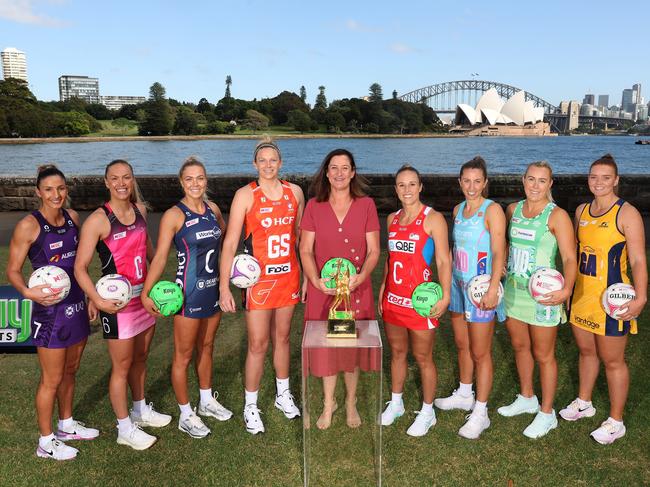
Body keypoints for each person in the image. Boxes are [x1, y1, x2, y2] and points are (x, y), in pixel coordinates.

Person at [74, 159, 171, 450]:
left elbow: (149, 252)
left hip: (144, 299)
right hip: (117, 306)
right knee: (121, 366)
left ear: (132, 180)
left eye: (126, 177)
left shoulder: (140, 211)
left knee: (141, 358)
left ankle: (140, 409)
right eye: (114, 178)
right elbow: (80, 267)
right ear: (106, 182)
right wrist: (97, 299)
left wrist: (159, 287)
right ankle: (124, 428)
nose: (120, 183)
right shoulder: (97, 220)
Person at [7, 165, 97, 461]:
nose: (56, 194)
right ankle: (45, 442)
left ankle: (66, 425)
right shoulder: (29, 226)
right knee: (51, 379)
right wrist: (28, 292)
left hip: (77, 307)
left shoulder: (73, 219)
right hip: (50, 315)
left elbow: (78, 266)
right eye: (49, 189)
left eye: (60, 188)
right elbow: (12, 270)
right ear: (38, 192)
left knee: (71, 371)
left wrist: (90, 297)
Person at [141, 157, 232, 439]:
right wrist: (147, 290)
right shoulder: (174, 215)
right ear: (182, 182)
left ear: (206, 180)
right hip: (188, 294)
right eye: (190, 179)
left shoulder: (213, 209)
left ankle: (206, 401)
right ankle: (186, 414)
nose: (196, 183)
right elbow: (159, 259)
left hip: (213, 290)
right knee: (183, 355)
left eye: (200, 178)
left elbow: (224, 241)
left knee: (207, 346)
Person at [219, 138, 305, 435]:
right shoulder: (245, 194)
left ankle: (283, 395)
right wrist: (223, 286)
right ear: (255, 164)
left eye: (273, 160)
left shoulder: (295, 192)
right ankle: (251, 405)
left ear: (281, 163)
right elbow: (230, 242)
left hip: (289, 277)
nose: (268, 165)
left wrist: (306, 276)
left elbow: (300, 239)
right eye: (263, 161)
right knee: (258, 344)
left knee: (282, 339)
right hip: (258, 282)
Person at [560, 154, 646, 444]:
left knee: (613, 360)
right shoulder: (582, 211)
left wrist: (641, 297)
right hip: (583, 295)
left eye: (605, 177)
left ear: (616, 180)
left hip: (612, 299)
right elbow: (574, 255)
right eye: (594, 176)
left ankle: (616, 420)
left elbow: (637, 259)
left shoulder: (626, 213)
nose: (599, 182)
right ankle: (584, 402)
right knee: (586, 352)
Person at [299, 148, 380, 430]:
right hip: (324, 290)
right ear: (326, 172)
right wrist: (314, 280)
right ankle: (328, 402)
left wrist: (362, 275)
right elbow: (305, 250)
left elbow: (373, 252)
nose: (339, 173)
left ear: (353, 172)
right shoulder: (314, 206)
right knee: (326, 349)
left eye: (345, 168)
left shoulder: (367, 204)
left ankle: (351, 401)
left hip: (355, 289)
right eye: (333, 168)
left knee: (349, 347)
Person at [498, 161, 577, 439]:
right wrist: (505, 260)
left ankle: (546, 413)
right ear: (523, 180)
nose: (535, 185)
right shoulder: (513, 210)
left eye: (541, 181)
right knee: (520, 347)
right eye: (531, 179)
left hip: (544, 296)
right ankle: (527, 397)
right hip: (514, 292)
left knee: (544, 355)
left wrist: (566, 290)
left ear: (550, 184)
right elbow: (507, 242)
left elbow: (569, 257)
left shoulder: (557, 216)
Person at [433, 156, 506, 440]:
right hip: (459, 286)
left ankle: (481, 412)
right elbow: (452, 249)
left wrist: (492, 288)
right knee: (462, 345)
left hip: (480, 290)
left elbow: (499, 250)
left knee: (480, 351)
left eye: (477, 181)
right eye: (466, 181)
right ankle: (465, 392)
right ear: (459, 182)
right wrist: (446, 285)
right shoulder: (457, 209)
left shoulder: (492, 210)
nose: (471, 186)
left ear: (485, 182)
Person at [378, 165, 451, 437]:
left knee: (423, 357)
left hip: (421, 302)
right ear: (395, 189)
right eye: (401, 185)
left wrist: (445, 295)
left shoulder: (433, 219)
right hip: (394, 300)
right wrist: (383, 288)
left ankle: (427, 411)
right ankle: (396, 403)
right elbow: (390, 259)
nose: (407, 190)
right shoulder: (392, 219)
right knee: (397, 353)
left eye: (412, 184)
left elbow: (444, 260)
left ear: (420, 187)